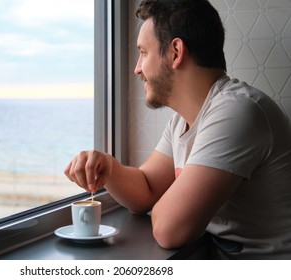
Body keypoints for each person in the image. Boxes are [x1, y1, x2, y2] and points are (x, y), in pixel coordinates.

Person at [64, 0, 291, 259]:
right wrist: (108, 167)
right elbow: (146, 188)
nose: (137, 68)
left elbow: (169, 229)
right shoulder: (182, 121)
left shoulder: (238, 112)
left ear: (175, 52)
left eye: (143, 52)